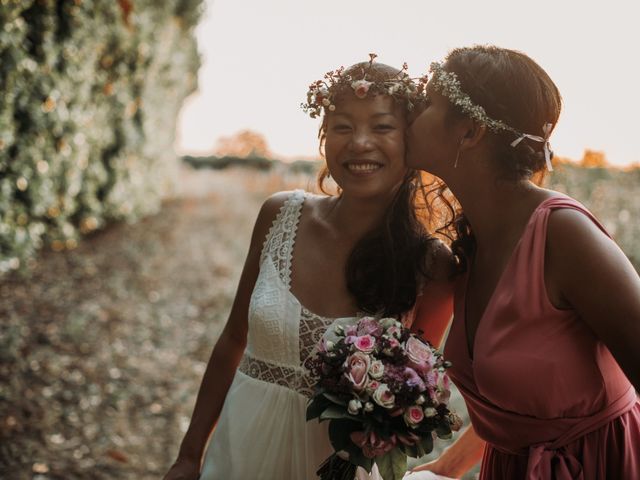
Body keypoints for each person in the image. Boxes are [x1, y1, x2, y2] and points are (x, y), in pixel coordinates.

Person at [163, 56, 460, 480]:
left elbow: (413, 395)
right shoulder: (279, 215)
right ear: (324, 137)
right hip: (237, 454)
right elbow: (232, 339)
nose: (359, 143)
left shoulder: (432, 265)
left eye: (381, 127)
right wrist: (189, 455)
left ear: (409, 141)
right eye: (342, 126)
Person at [407, 45, 640, 479]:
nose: (409, 114)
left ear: (470, 131)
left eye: (425, 103)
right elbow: (530, 397)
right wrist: (447, 467)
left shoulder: (564, 236)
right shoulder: (475, 240)